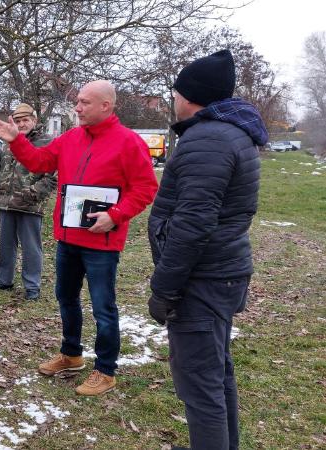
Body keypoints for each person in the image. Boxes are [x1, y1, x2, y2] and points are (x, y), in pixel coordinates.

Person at [0, 80, 158, 396]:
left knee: (103, 307)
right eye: (77, 102)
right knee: (66, 298)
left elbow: (146, 188)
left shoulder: (128, 142)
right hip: (68, 238)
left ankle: (105, 371)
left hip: (102, 244)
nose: (77, 108)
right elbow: (39, 162)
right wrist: (16, 141)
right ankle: (71, 354)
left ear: (106, 106)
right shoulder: (71, 138)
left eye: (84, 102)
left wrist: (116, 215)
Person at [147, 49, 266, 450]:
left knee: (199, 383)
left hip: (202, 279)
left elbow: (192, 225)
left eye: (176, 92)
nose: (174, 99)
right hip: (220, 273)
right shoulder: (227, 133)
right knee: (215, 373)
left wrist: (164, 287)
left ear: (190, 95)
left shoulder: (208, 139)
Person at [0, 103, 57, 301]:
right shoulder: (5, 144)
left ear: (34, 120)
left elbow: (51, 178)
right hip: (6, 203)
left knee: (31, 248)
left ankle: (32, 287)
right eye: (18, 121)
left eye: (26, 120)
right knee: (6, 245)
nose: (22, 124)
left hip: (30, 205)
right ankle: (4, 280)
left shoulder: (47, 143)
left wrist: (29, 195)